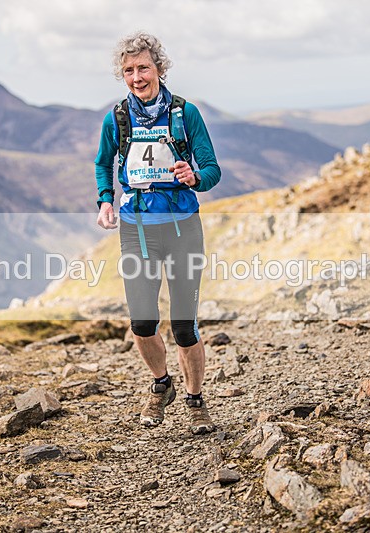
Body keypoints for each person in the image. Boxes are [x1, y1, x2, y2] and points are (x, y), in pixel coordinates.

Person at [94, 31, 221, 434]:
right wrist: (105, 199)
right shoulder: (117, 118)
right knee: (143, 322)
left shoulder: (186, 114)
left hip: (183, 227)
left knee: (184, 325)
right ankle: (161, 384)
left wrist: (194, 176)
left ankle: (195, 400)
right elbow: (102, 164)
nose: (136, 77)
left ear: (159, 69)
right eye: (128, 70)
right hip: (137, 230)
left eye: (143, 67)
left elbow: (212, 170)